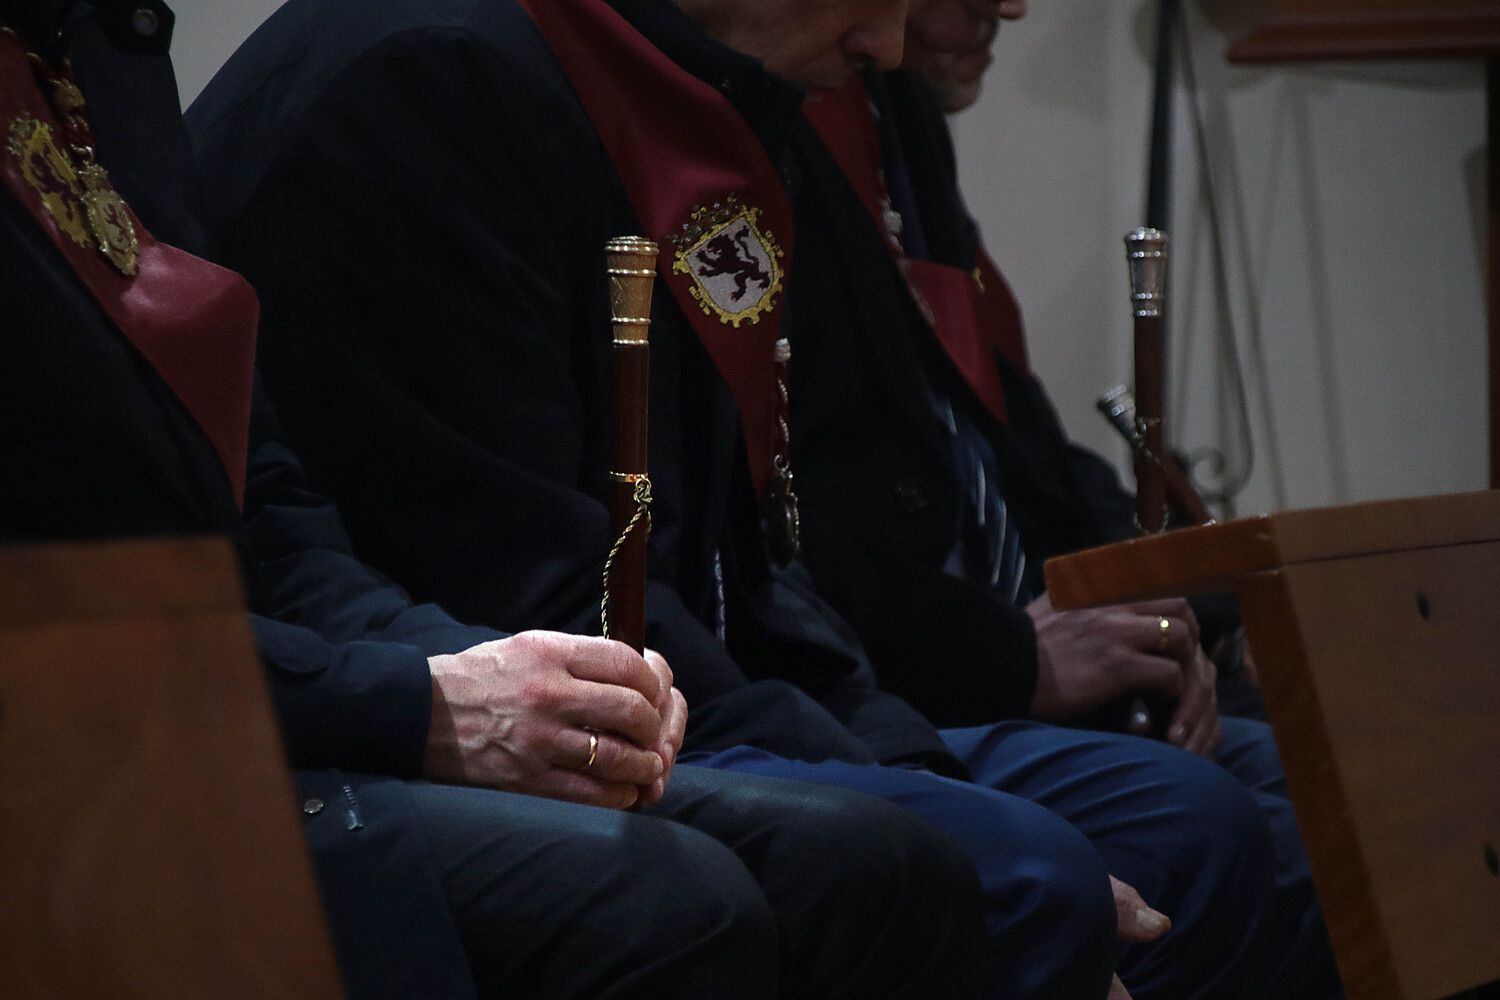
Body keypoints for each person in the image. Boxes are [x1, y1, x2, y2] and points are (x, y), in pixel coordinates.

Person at [189, 0, 1294, 996]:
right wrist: (931, 781)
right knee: (1017, 869)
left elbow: (757, 556)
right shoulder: (430, 79)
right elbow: (519, 578)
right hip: (567, 689)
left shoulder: (699, 96)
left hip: (723, 686)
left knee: (1187, 819)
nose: (889, 45)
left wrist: (904, 760)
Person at [0, 2, 995, 997]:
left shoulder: (91, 49)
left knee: (875, 868)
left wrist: (456, 670)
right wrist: (414, 700)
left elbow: (267, 515)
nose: (891, 43)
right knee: (676, 899)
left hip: (256, 697)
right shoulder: (424, 67)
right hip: (87, 763)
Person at [781, 0, 1343, 994]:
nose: (1010, 7)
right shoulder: (762, 124)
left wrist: (1169, 611)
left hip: (1011, 648)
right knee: (1265, 834)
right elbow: (781, 534)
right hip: (889, 681)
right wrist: (1010, 656)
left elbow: (1015, 444)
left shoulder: (895, 120)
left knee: (1356, 766)